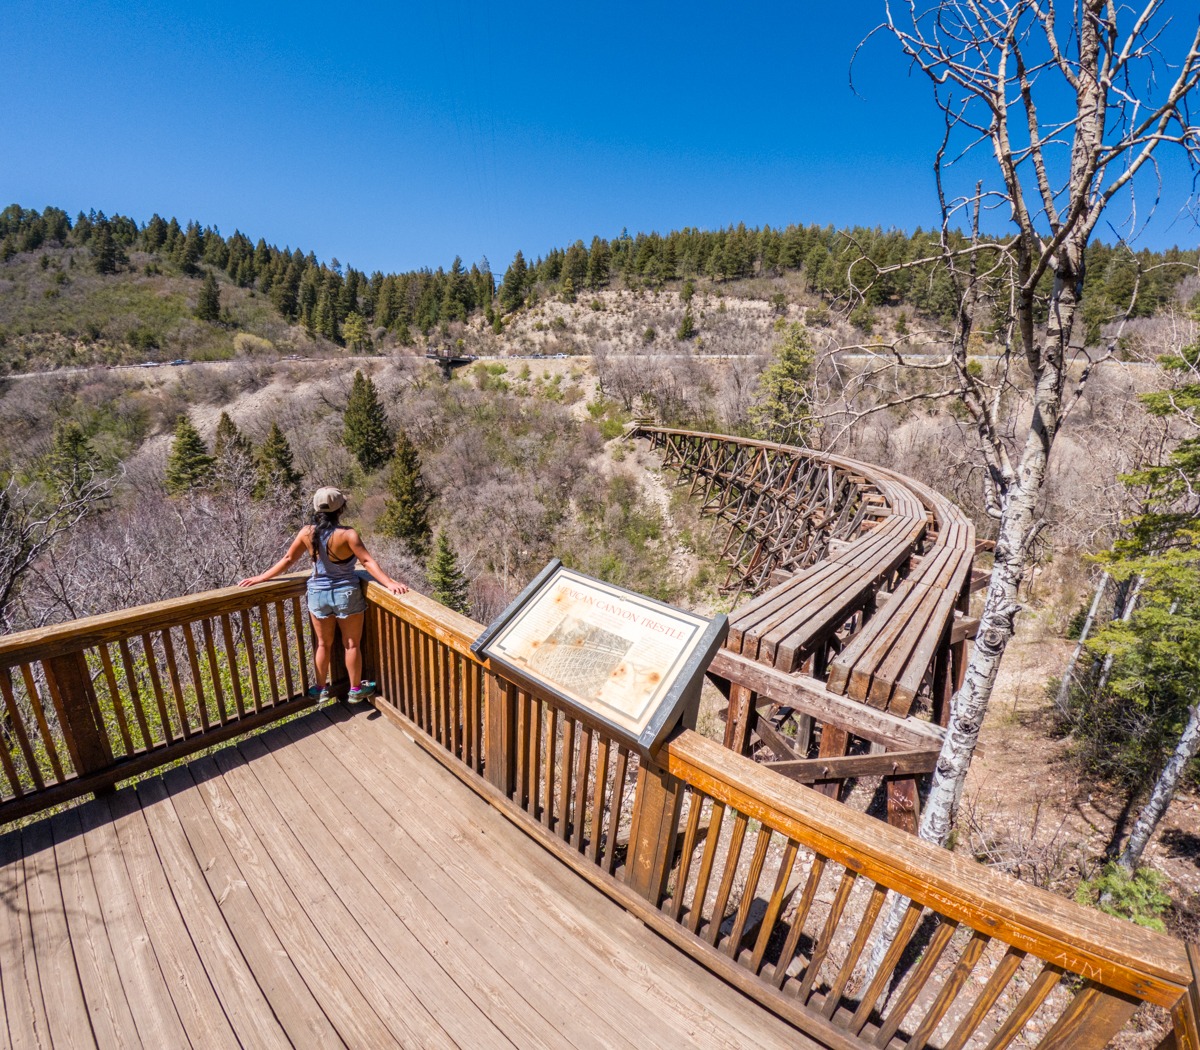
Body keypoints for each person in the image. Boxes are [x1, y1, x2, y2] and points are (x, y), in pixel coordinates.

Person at [239, 486, 408, 703]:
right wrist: (388, 583)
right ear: (341, 508)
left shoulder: (307, 533)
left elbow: (288, 560)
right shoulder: (348, 534)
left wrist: (261, 578)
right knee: (351, 645)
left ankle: (320, 689)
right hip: (346, 593)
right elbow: (366, 561)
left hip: (317, 594)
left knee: (322, 644)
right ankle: (355, 690)